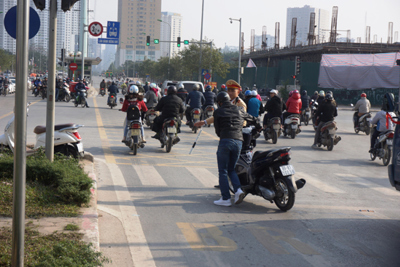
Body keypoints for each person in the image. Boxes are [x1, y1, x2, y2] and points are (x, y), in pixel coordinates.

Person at [212, 91, 257, 206]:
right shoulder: (240, 110)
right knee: (231, 169)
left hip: (225, 141)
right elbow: (253, 119)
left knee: (223, 171)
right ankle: (238, 190)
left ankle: (226, 198)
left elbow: (217, 131)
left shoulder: (218, 112)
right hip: (239, 142)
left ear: (220, 102)